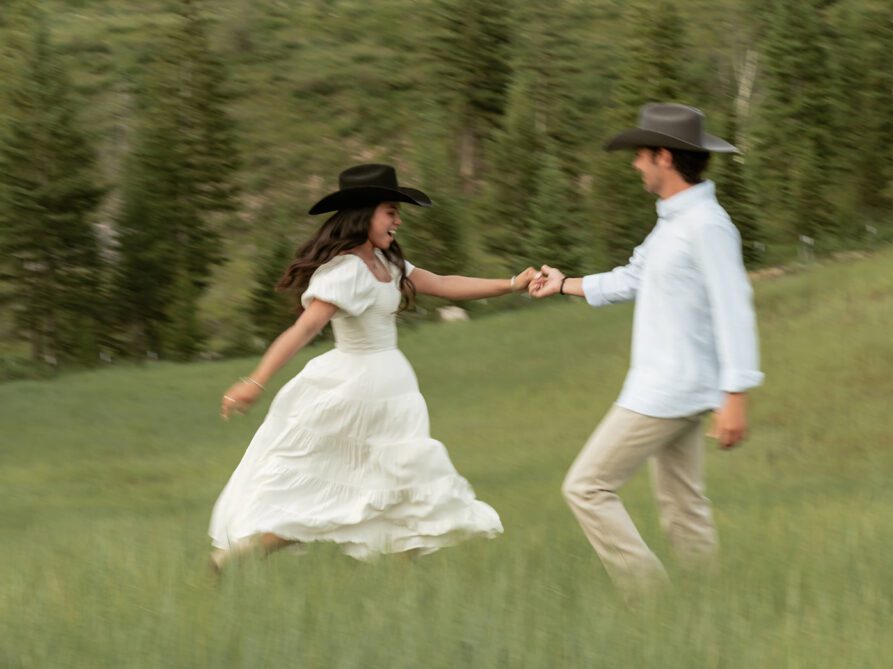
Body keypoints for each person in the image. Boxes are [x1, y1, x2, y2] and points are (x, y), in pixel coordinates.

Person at [209, 163, 535, 571]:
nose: (398, 219)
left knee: (400, 489)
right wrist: (255, 381)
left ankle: (234, 561)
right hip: (355, 391)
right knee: (336, 497)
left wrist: (511, 284)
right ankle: (231, 558)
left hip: (393, 391)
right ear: (363, 215)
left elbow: (445, 283)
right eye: (389, 210)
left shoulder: (389, 264)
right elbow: (304, 328)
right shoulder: (345, 271)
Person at [530, 103, 764, 596]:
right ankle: (704, 607)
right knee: (683, 505)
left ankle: (650, 598)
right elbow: (633, 277)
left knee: (586, 487)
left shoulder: (707, 225)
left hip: (666, 389)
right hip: (675, 387)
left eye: (640, 155)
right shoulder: (674, 223)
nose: (635, 165)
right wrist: (565, 283)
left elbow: (734, 306)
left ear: (663, 156)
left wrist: (737, 394)